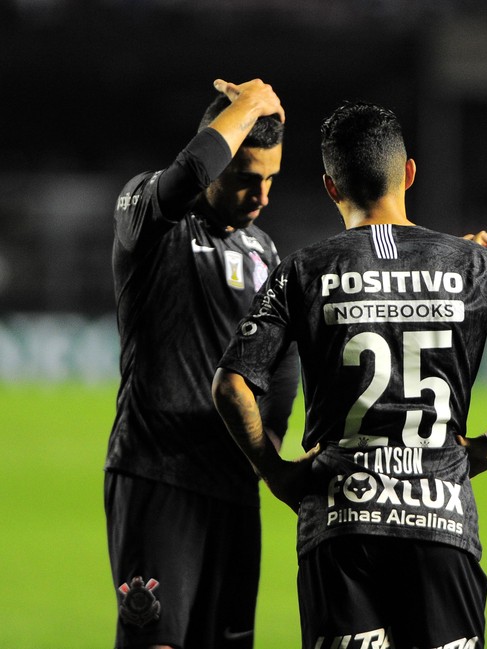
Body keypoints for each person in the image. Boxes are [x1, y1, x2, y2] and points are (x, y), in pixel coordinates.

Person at [211, 101, 487, 649]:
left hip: (341, 525)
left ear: (331, 187)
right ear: (408, 173)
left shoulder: (304, 269)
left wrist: (276, 472)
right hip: (442, 525)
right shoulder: (471, 264)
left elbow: (231, 384)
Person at [106, 78, 299, 649]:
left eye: (271, 180)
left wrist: (268, 443)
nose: (262, 197)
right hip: (158, 476)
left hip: (234, 487)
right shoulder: (149, 216)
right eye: (246, 179)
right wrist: (251, 103)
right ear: (217, 162)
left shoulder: (263, 250)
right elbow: (187, 174)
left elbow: (283, 355)